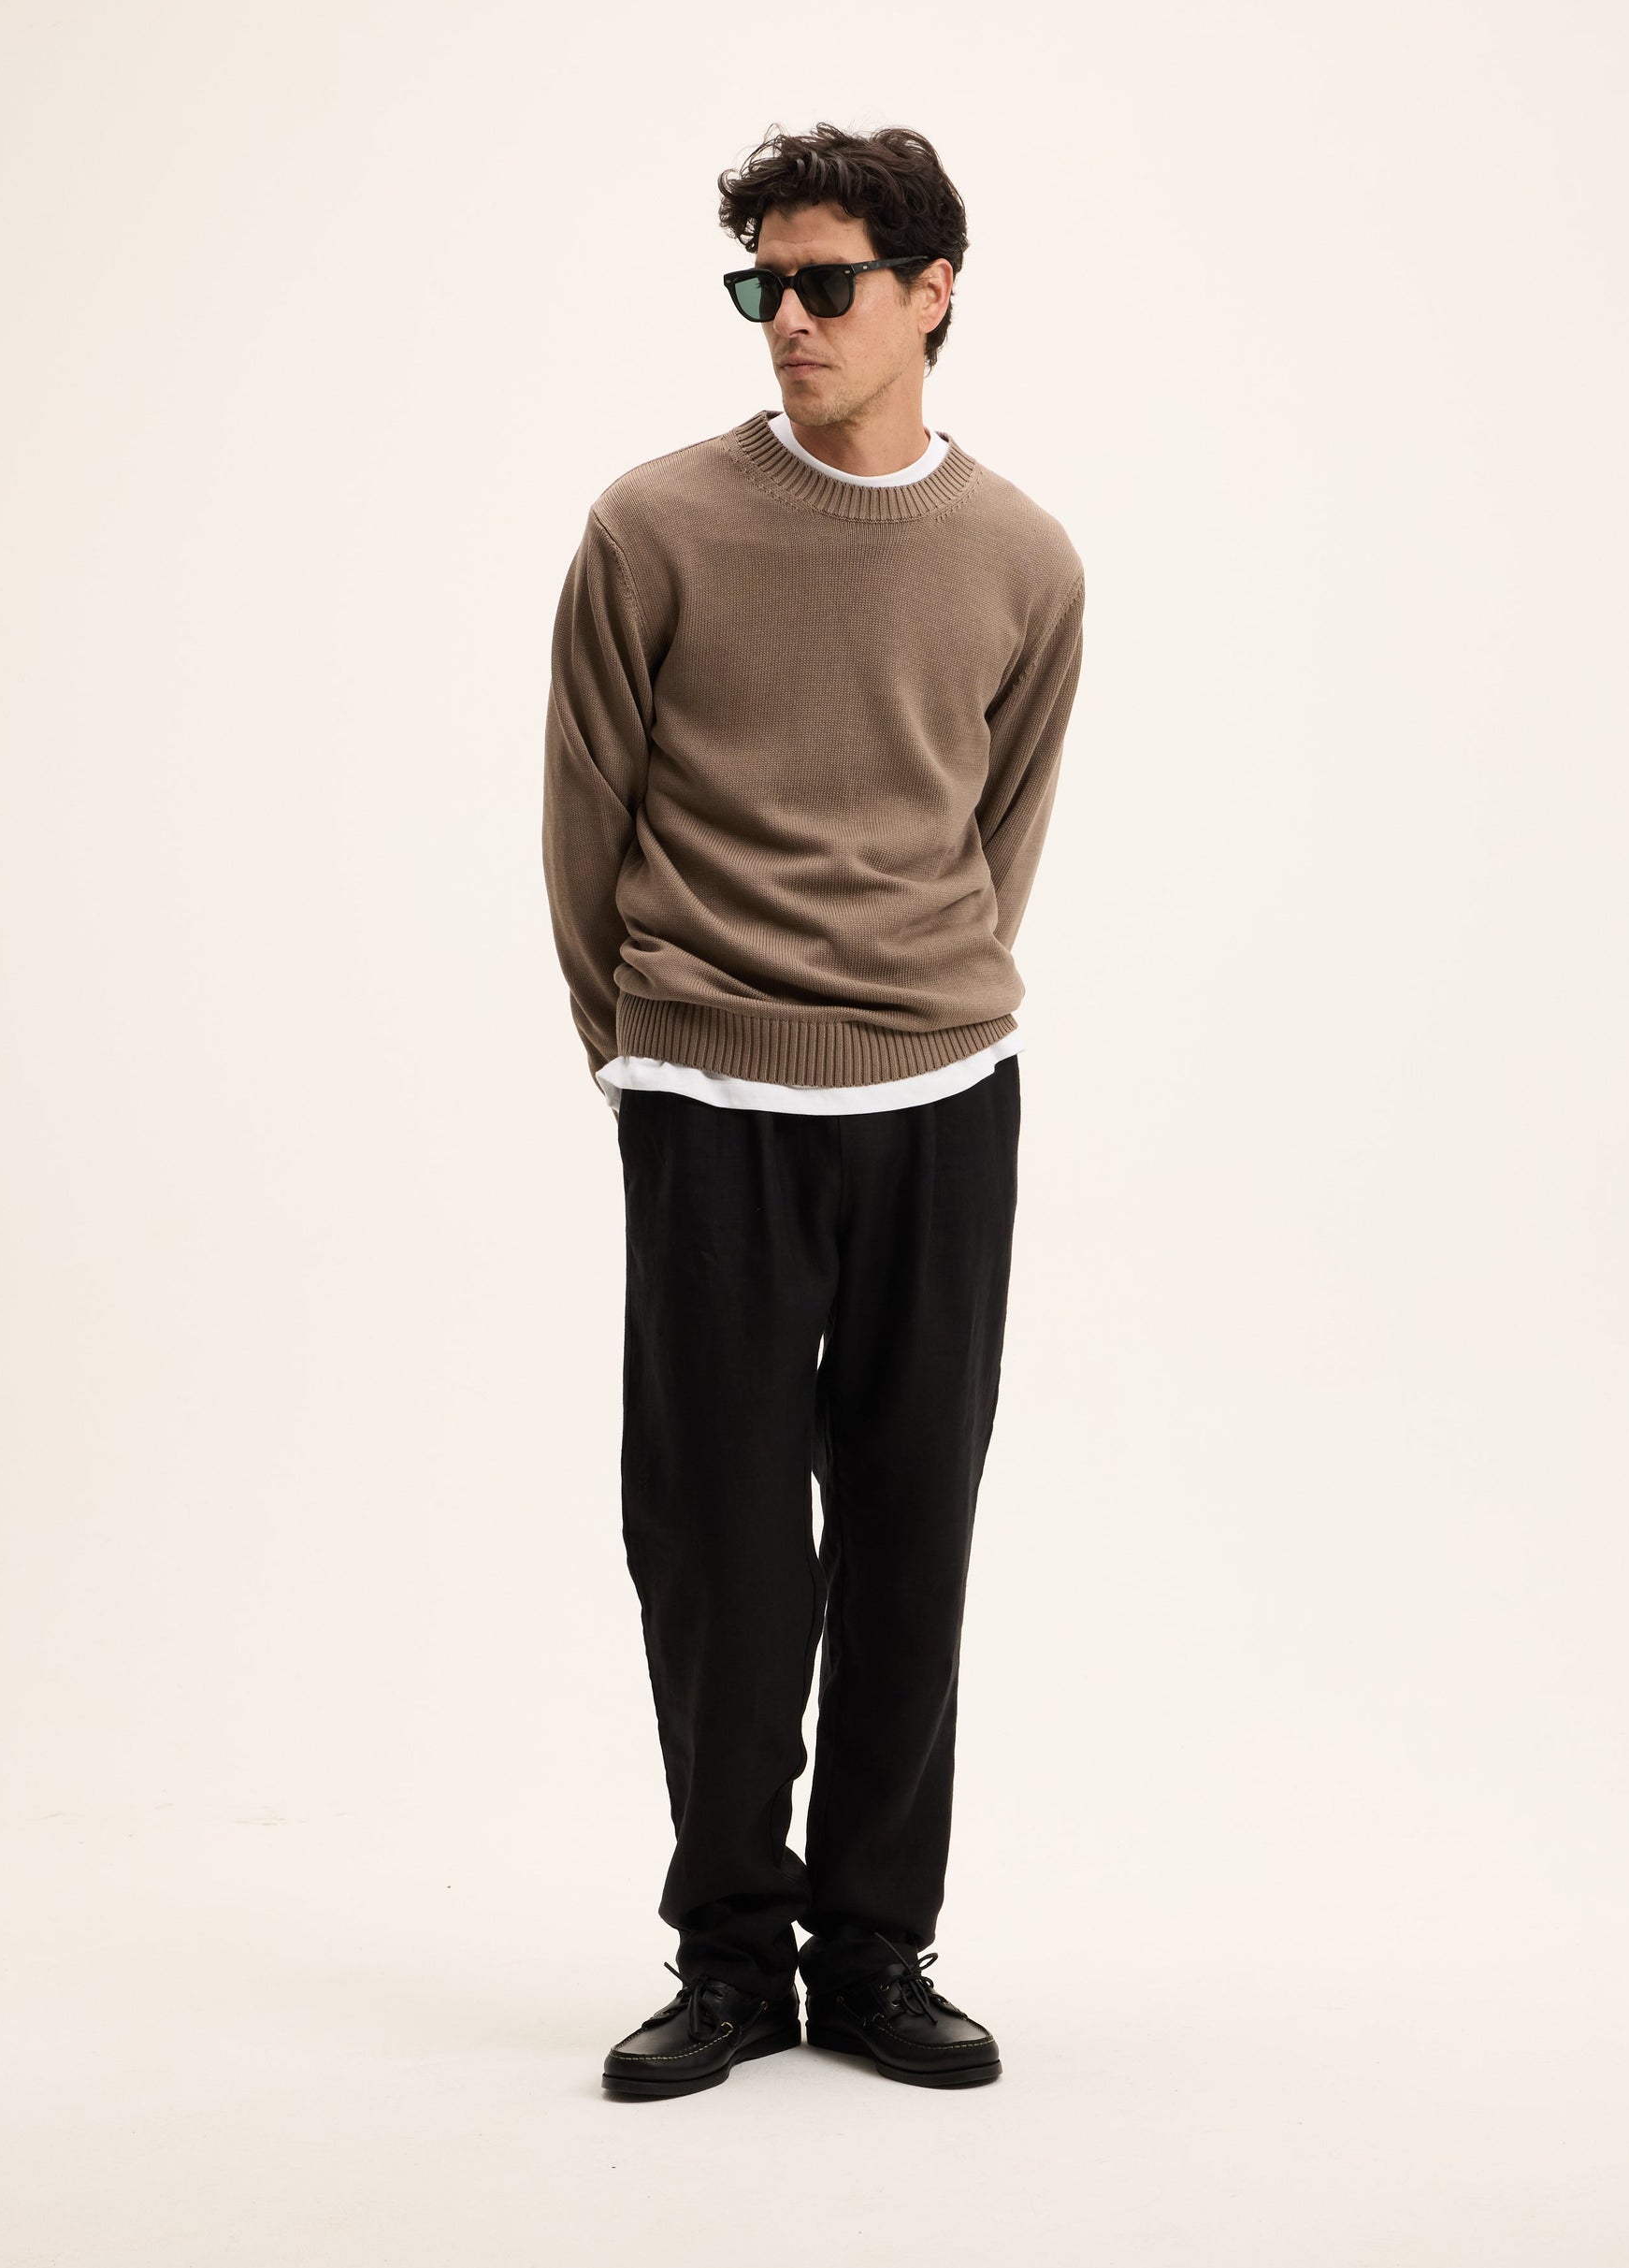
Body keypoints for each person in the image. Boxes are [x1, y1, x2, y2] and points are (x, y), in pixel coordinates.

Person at [541, 122, 1086, 2099]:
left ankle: (871, 1953)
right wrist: (641, 1050)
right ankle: (726, 1952)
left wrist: (912, 996)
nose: (787, 318)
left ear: (931, 293)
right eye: (760, 284)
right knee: (715, 1544)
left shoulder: (1022, 557)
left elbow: (996, 828)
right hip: (709, 1092)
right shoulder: (654, 526)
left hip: (941, 1097)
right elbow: (585, 818)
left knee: (912, 1527)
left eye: (825, 282)